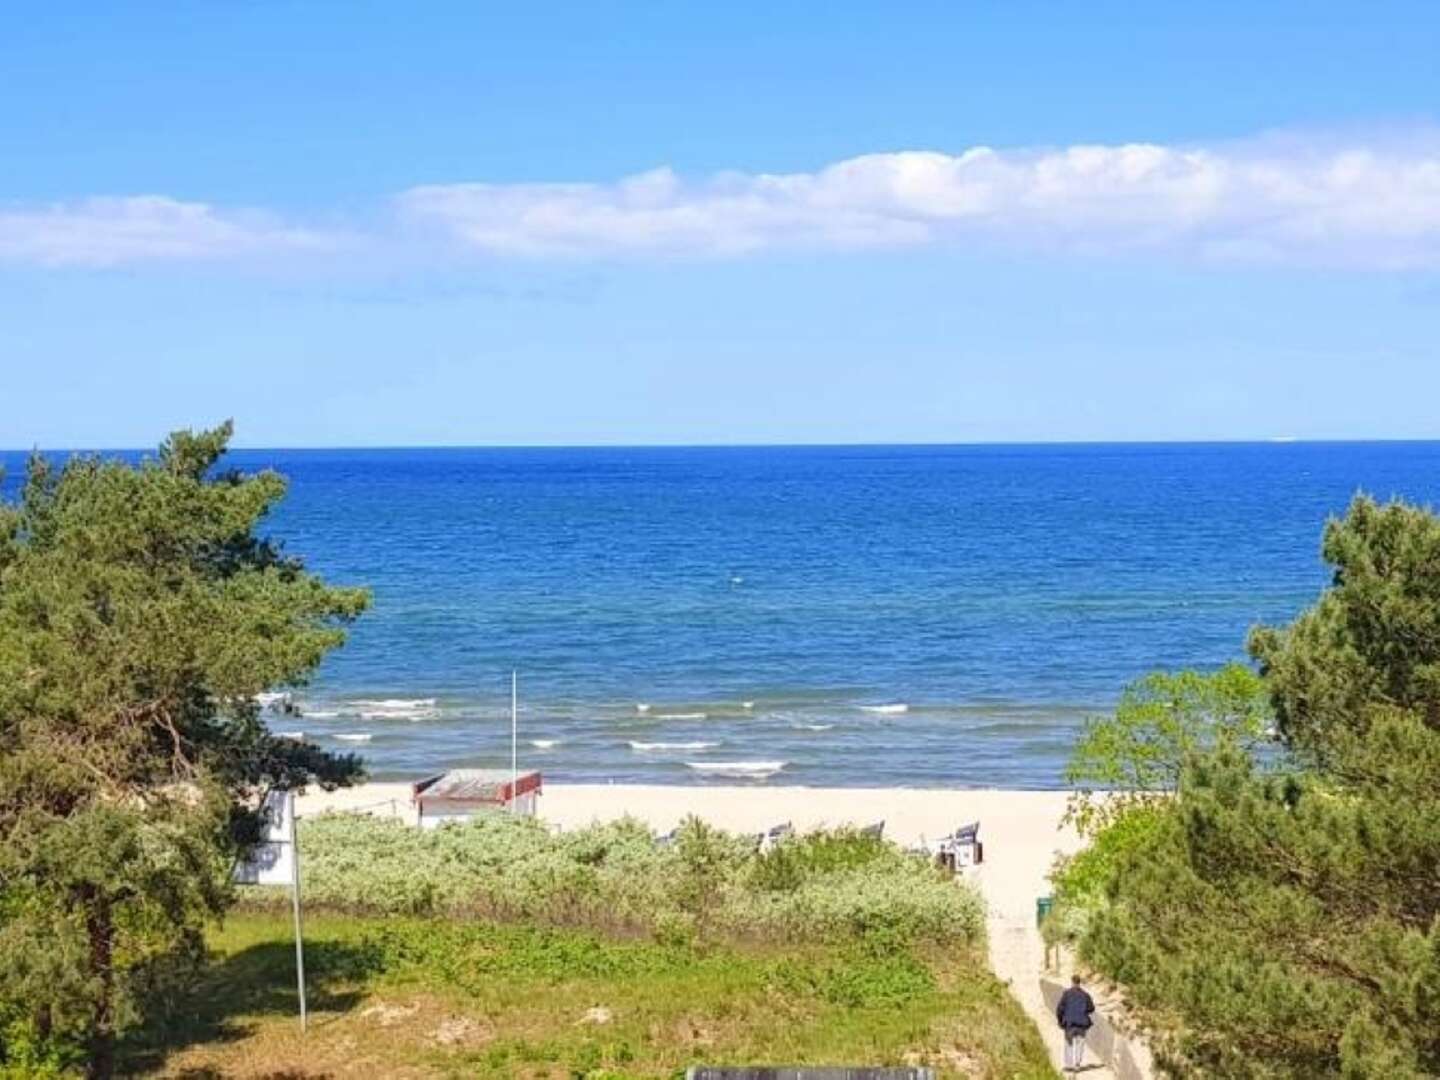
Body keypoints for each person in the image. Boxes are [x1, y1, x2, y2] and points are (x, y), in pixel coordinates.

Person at [1056, 973, 1095, 1073]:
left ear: (1072, 982)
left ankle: (1069, 1066)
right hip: (1081, 1024)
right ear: (1079, 982)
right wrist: (1083, 1010)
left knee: (1068, 1044)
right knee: (1080, 1044)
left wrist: (1060, 1021)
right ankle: (1077, 1065)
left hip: (1069, 1023)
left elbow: (1060, 1009)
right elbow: (1091, 1008)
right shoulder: (1085, 995)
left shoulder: (1066, 994)